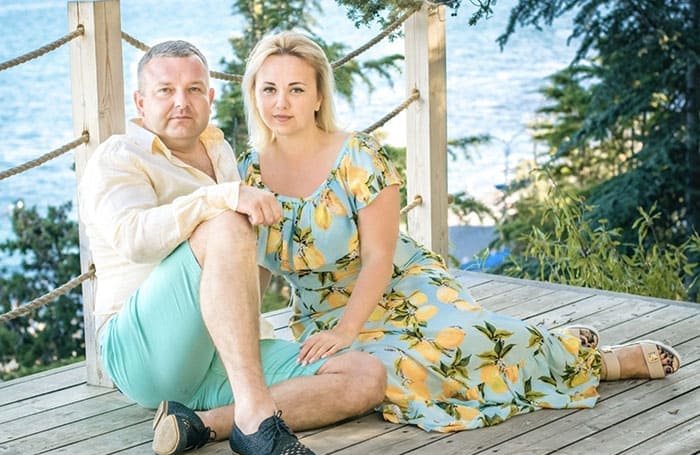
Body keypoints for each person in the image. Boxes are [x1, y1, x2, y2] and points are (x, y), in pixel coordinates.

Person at [237, 31, 682, 433]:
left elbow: (378, 257)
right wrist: (239, 338)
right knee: (392, 373)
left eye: (297, 89)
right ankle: (549, 346)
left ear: (319, 96)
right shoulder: (247, 173)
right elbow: (251, 264)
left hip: (399, 286)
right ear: (253, 94)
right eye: (269, 89)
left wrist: (346, 332)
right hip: (321, 315)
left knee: (467, 341)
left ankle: (600, 362)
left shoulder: (358, 155)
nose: (281, 103)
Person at [79, 40, 387, 455]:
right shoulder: (118, 158)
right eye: (165, 90)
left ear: (210, 96)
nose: (182, 102)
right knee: (226, 221)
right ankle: (259, 421)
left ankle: (205, 424)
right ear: (141, 102)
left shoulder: (220, 151)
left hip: (218, 356)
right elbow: (134, 239)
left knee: (364, 375)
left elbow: (243, 263)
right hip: (142, 354)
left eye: (194, 89)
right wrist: (222, 197)